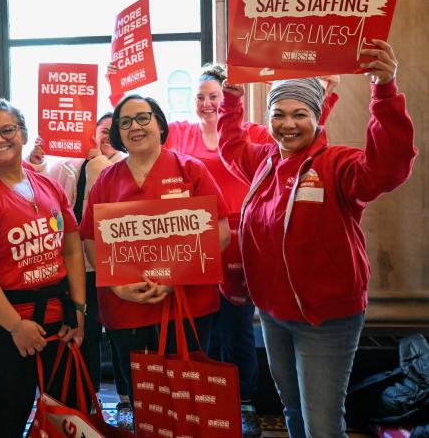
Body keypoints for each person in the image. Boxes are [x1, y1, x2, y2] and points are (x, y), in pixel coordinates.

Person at [217, 40, 416, 438]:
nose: (287, 124)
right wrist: (232, 97)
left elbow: (387, 169)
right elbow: (231, 145)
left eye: (299, 114)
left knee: (323, 426)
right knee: (292, 410)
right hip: (274, 314)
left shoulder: (338, 163)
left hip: (325, 319)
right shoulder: (265, 161)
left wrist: (385, 90)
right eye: (278, 114)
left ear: (317, 117)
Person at [164, 63, 339, 436]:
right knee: (200, 326)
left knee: (237, 326)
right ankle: (204, 402)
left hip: (243, 240)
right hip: (196, 240)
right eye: (200, 97)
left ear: (223, 98)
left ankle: (242, 401)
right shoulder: (179, 133)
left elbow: (299, 137)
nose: (206, 103)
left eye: (213, 96)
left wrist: (327, 92)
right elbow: (144, 141)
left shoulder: (255, 134)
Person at [80, 93, 231, 402]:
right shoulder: (107, 181)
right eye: (124, 122)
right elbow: (90, 240)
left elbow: (222, 231)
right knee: (144, 400)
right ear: (118, 134)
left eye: (142, 118)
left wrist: (175, 277)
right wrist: (118, 285)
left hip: (186, 305)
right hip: (126, 309)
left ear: (160, 124)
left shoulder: (191, 170)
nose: (134, 126)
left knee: (186, 399)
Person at [0, 99, 86, 438]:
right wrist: (15, 326)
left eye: (7, 130)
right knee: (9, 416)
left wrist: (79, 310)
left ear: (23, 134)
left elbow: (71, 248)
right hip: (2, 326)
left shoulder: (48, 185)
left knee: (63, 417)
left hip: (57, 318)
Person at [28, 113, 133, 427]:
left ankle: (124, 398)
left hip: (116, 267)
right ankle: (84, 403)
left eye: (109, 132)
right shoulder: (70, 165)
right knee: (83, 337)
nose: (104, 138)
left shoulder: (120, 165)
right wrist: (36, 163)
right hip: (81, 268)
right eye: (99, 132)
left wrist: (97, 159)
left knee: (118, 334)